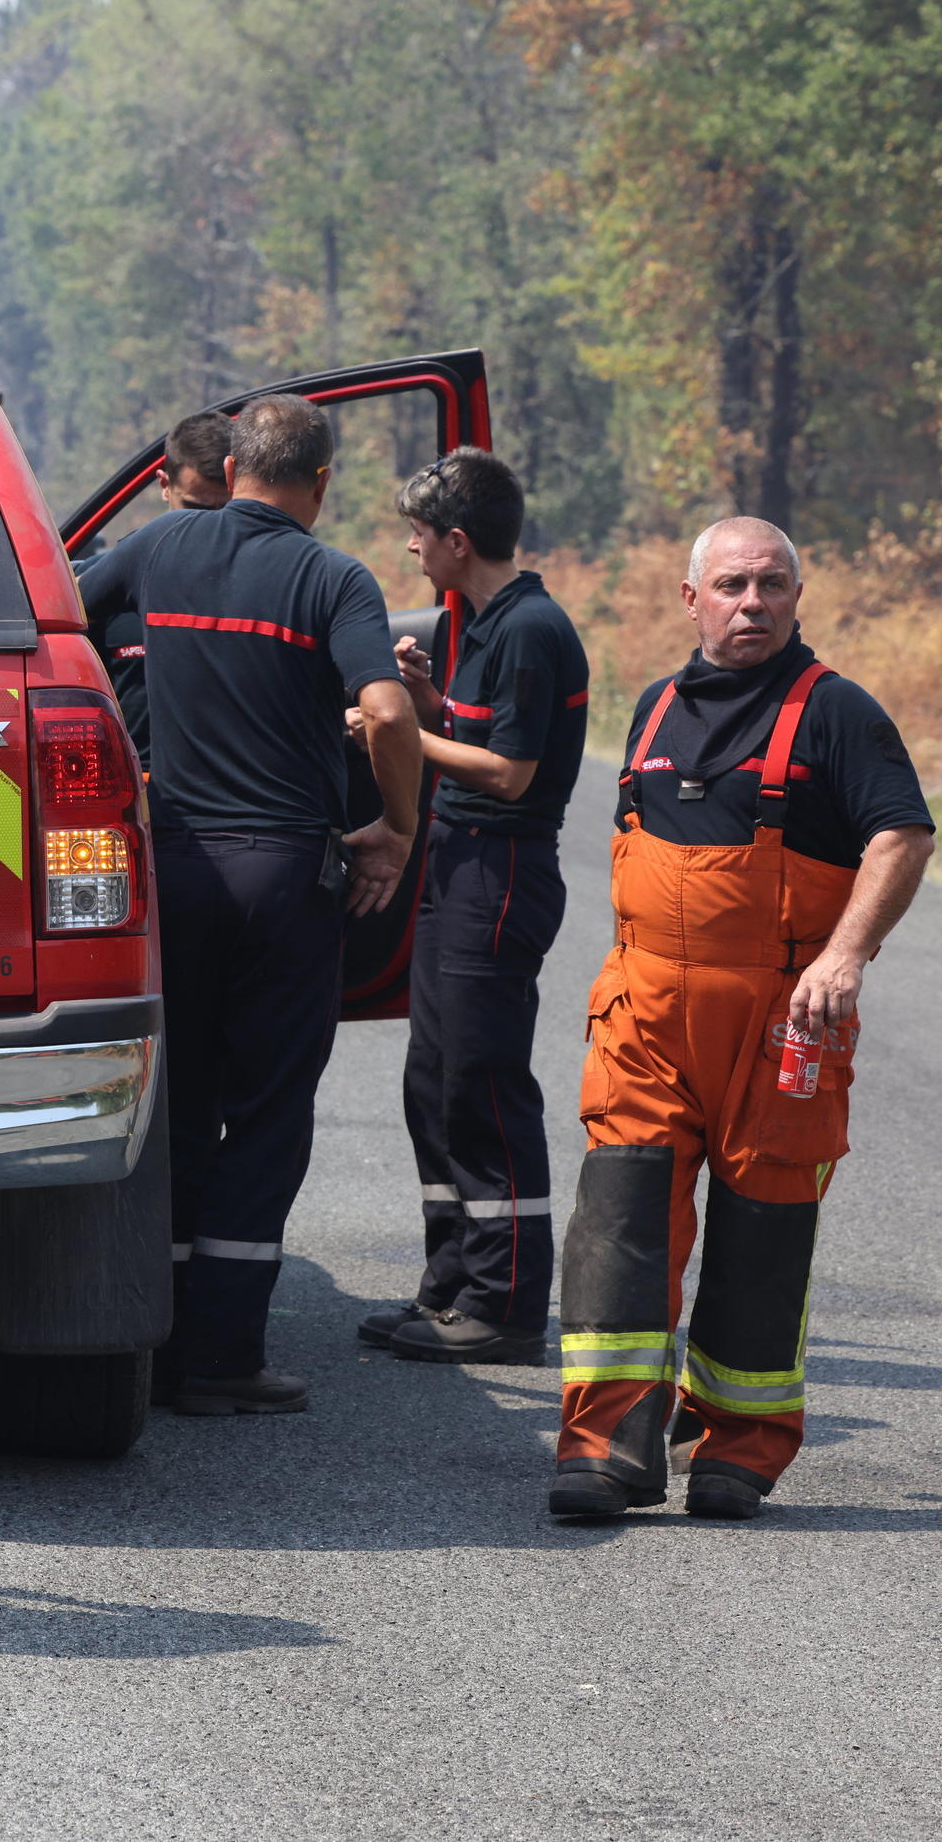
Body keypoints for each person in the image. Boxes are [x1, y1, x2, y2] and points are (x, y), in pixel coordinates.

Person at [552, 517, 931, 1522]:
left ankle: (737, 1448)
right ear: (692, 599)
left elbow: (900, 833)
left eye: (770, 585)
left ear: (796, 598)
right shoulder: (654, 706)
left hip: (777, 1023)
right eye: (730, 584)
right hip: (645, 1011)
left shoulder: (838, 714)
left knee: (762, 1233)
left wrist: (846, 952)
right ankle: (604, 1447)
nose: (751, 602)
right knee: (619, 1222)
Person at [85, 393, 422, 1415]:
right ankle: (222, 1359)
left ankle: (154, 1334)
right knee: (267, 1113)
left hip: (176, 867)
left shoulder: (157, 552)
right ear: (320, 483)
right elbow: (388, 710)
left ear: (229, 469)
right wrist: (397, 828)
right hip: (284, 878)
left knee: (176, 1105)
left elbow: (60, 621)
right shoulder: (333, 577)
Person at [356, 450, 588, 1365]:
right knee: (434, 1084)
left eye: (419, 533)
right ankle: (451, 1283)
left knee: (484, 1088)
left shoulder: (530, 628)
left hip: (500, 873)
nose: (410, 547)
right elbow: (481, 737)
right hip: (457, 865)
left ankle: (506, 1304)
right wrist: (429, 702)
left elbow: (510, 772)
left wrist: (404, 731)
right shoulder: (485, 622)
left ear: (458, 541)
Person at [80, 409, 233, 765]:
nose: (206, 527)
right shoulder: (109, 583)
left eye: (225, 512)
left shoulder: (273, 582)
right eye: (193, 509)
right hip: (144, 792)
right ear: (165, 485)